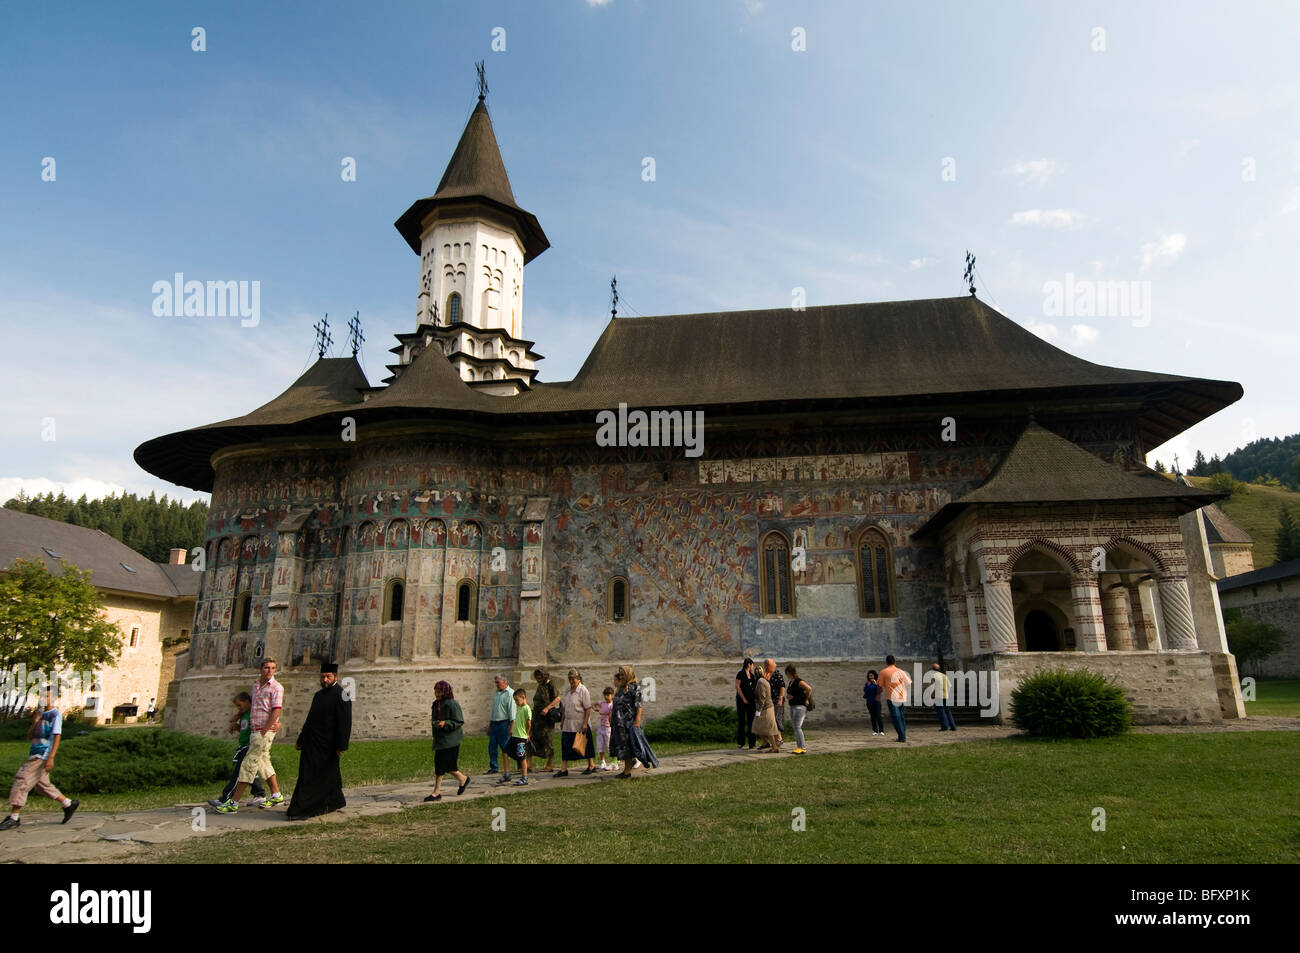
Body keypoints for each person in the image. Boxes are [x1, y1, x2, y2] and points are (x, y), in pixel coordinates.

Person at [1, 690, 78, 831]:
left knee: (22, 780)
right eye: (42, 696)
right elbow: (30, 736)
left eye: (47, 696)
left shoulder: (56, 715)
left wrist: (51, 758)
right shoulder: (40, 715)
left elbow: (57, 736)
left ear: (54, 698)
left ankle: (14, 818)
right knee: (42, 785)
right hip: (34, 753)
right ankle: (68, 804)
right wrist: (35, 721)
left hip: (42, 755)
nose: (44, 698)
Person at [216, 658, 285, 813]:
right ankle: (276, 795)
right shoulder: (256, 685)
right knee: (263, 762)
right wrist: (236, 716)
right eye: (267, 667)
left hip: (262, 732)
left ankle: (233, 803)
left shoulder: (276, 687)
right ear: (261, 669)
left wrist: (265, 731)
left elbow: (276, 710)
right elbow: (252, 705)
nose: (270, 671)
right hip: (255, 730)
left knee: (248, 764)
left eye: (273, 668)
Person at [286, 662, 353, 820]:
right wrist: (301, 739)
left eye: (328, 676)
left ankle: (303, 809)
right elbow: (310, 720)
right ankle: (334, 801)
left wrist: (341, 745)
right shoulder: (318, 695)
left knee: (321, 776)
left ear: (335, 677)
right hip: (312, 742)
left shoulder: (342, 695)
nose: (325, 679)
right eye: (322, 676)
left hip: (328, 744)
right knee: (309, 775)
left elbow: (345, 722)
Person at [208, 692, 267, 807]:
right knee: (249, 771)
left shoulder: (253, 714)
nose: (238, 708)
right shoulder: (244, 715)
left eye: (240, 705)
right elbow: (244, 730)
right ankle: (259, 794)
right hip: (243, 746)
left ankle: (225, 798)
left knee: (238, 774)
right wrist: (237, 725)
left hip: (249, 746)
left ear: (247, 702)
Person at [610, 666, 658, 777]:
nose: (621, 676)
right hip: (619, 723)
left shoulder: (635, 688)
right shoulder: (621, 688)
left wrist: (637, 721)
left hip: (628, 723)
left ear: (628, 674)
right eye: (620, 674)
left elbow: (639, 705)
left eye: (623, 674)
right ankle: (628, 766)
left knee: (628, 747)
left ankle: (627, 772)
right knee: (622, 746)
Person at [426, 680, 470, 800]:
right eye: (435, 692)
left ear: (445, 691)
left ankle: (436, 792)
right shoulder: (436, 704)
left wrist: (446, 723)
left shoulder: (452, 704)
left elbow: (459, 721)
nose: (437, 694)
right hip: (440, 740)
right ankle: (463, 779)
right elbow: (434, 719)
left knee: (441, 766)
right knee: (449, 767)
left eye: (439, 692)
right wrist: (436, 723)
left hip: (451, 740)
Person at [556, 668, 595, 777]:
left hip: (579, 723)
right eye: (570, 679)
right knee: (566, 745)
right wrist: (563, 720)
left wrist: (585, 723)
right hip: (568, 724)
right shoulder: (568, 690)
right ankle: (564, 769)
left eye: (573, 679)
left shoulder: (583, 690)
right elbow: (565, 707)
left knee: (585, 745)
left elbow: (588, 708)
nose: (571, 681)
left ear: (578, 679)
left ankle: (591, 765)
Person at [530, 668, 560, 773]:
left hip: (546, 719)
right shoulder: (540, 686)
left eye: (540, 677)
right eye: (537, 677)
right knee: (533, 740)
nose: (538, 679)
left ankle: (550, 764)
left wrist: (547, 708)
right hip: (537, 718)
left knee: (547, 741)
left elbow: (557, 698)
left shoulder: (550, 685)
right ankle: (528, 765)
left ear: (544, 676)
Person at [878, 655, 912, 743]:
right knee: (901, 716)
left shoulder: (884, 672)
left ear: (886, 662)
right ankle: (902, 735)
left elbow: (879, 686)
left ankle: (902, 737)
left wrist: (878, 694)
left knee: (896, 717)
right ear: (895, 662)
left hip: (892, 697)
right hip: (902, 697)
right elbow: (908, 683)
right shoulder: (901, 671)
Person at [487, 674, 516, 776]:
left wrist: (511, 726)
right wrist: (490, 725)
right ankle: (494, 767)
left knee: (506, 747)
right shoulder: (496, 693)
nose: (496, 685)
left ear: (504, 682)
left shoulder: (510, 694)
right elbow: (494, 711)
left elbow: (512, 712)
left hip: (504, 723)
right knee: (492, 747)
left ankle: (515, 764)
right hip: (495, 723)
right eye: (496, 683)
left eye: (498, 683)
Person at [784, 664, 812, 754]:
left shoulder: (798, 681)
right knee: (795, 727)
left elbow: (808, 688)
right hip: (793, 706)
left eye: (787, 673)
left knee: (797, 726)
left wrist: (806, 699)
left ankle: (802, 747)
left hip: (800, 706)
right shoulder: (791, 682)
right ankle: (798, 746)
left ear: (789, 672)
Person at [751, 663, 779, 752]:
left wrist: (759, 709)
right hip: (766, 707)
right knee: (757, 726)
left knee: (768, 728)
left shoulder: (760, 682)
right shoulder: (764, 680)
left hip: (765, 708)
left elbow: (763, 697)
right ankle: (765, 743)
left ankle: (774, 747)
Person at [760, 658, 786, 749]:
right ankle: (774, 739)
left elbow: (782, 686)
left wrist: (780, 699)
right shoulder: (765, 675)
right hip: (769, 701)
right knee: (771, 720)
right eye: (773, 664)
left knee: (776, 718)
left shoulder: (777, 674)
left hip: (777, 701)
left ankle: (779, 738)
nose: (775, 665)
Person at [508, 688, 532, 786]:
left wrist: (527, 734)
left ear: (523, 697)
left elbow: (529, 723)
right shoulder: (520, 708)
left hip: (521, 737)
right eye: (515, 700)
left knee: (522, 757)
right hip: (515, 736)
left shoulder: (526, 708)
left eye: (517, 700)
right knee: (507, 751)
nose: (516, 702)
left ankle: (524, 777)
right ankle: (506, 774)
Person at [734, 657, 758, 749]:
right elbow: (737, 686)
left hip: (751, 701)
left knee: (751, 721)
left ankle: (752, 742)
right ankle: (741, 742)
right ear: (749, 664)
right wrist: (743, 698)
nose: (753, 667)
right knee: (741, 720)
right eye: (752, 665)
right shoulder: (740, 674)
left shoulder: (752, 676)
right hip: (741, 701)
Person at [932, 663, 957, 731]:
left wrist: (931, 694)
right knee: (948, 711)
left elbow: (932, 687)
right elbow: (950, 686)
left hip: (938, 696)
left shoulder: (933, 676)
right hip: (946, 695)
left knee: (941, 711)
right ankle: (953, 726)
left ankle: (944, 726)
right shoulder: (944, 676)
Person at [596, 686, 615, 770]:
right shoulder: (602, 703)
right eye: (605, 695)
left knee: (609, 745)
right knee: (600, 745)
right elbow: (593, 704)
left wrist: (602, 713)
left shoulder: (612, 705)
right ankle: (603, 761)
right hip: (601, 727)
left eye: (608, 695)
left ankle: (614, 761)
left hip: (608, 727)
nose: (606, 697)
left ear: (612, 695)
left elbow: (610, 715)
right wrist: (596, 709)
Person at [864, 670, 885, 736]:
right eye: (869, 676)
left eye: (871, 675)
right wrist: (868, 686)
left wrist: (876, 684)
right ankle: (875, 730)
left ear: (874, 676)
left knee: (878, 715)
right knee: (872, 716)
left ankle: (881, 730)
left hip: (877, 701)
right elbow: (865, 690)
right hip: (869, 701)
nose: (870, 677)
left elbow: (880, 690)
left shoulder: (878, 682)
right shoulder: (867, 683)